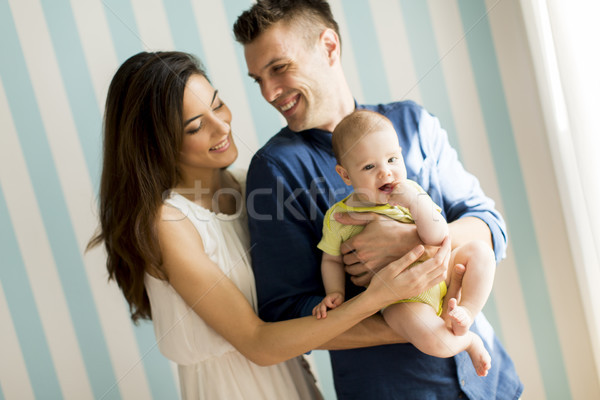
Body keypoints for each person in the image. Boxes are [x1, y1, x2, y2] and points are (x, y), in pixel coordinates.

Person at [87, 51, 451, 400]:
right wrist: (389, 304)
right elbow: (258, 343)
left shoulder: (255, 187)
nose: (221, 126)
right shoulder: (168, 222)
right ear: (158, 144)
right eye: (196, 126)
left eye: (216, 104)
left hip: (294, 381)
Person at [233, 1, 523, 398]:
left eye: (279, 68)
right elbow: (287, 315)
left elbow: (488, 223)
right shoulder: (276, 169)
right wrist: (410, 318)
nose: (269, 92)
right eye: (258, 79)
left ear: (329, 47)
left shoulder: (413, 122)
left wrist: (413, 242)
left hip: (490, 383)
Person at [313, 109, 494, 377]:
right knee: (436, 341)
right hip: (403, 300)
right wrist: (334, 292)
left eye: (392, 159)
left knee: (481, 251)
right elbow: (330, 259)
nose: (385, 173)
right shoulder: (339, 217)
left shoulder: (412, 194)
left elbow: (438, 236)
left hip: (442, 269)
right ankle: (468, 341)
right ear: (346, 175)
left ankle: (466, 311)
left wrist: (414, 203)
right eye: (369, 167)